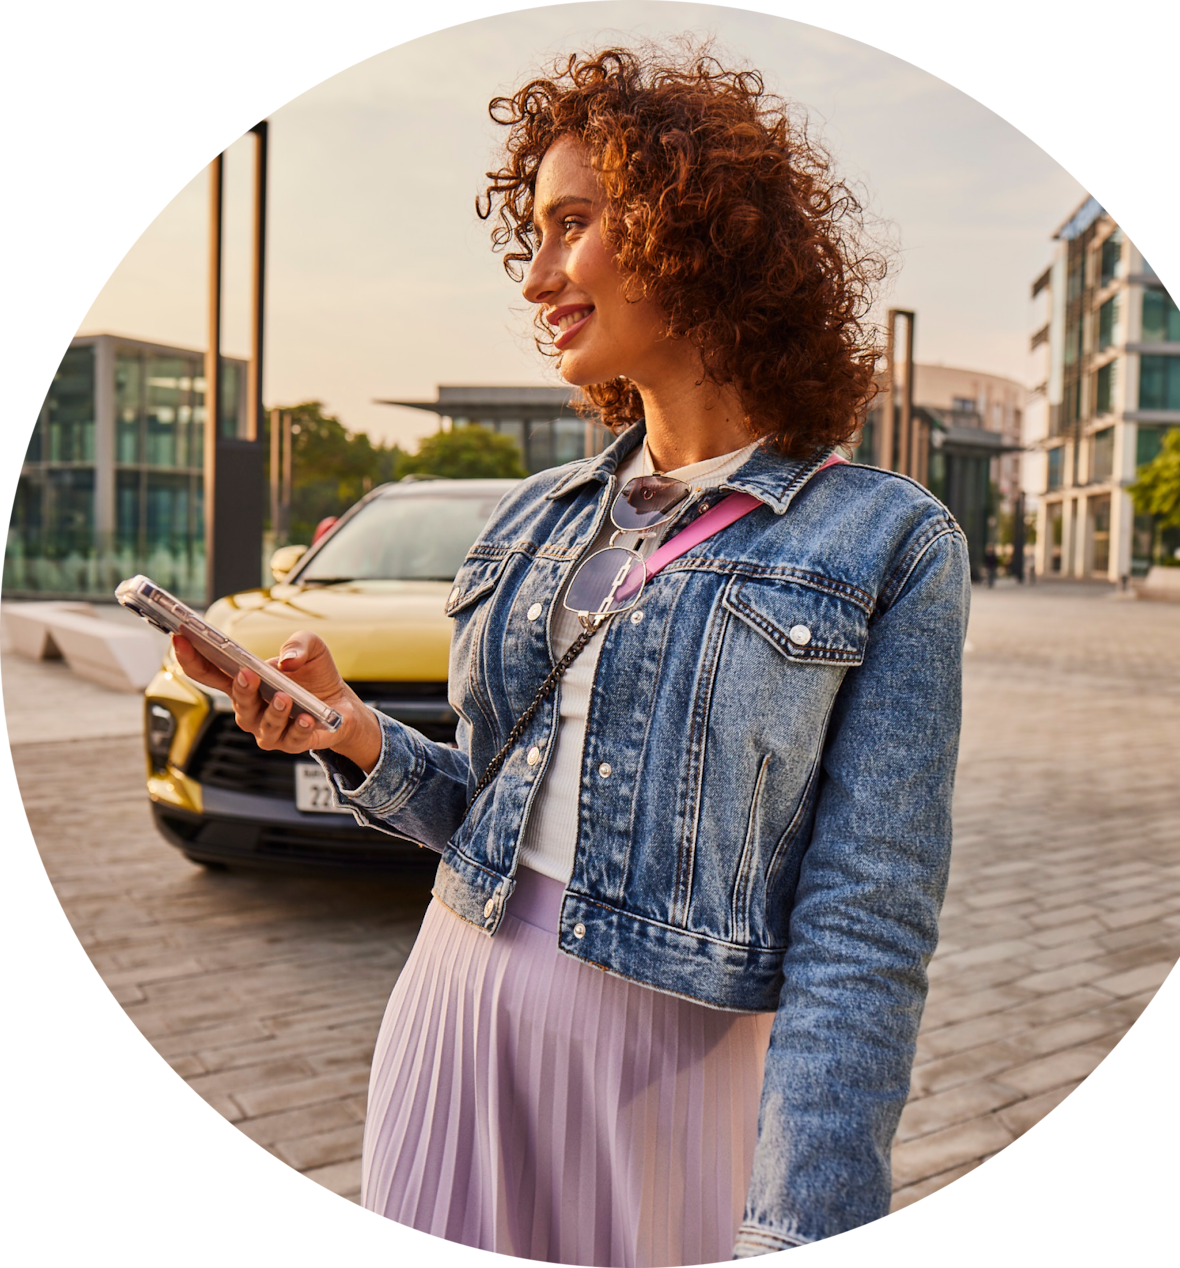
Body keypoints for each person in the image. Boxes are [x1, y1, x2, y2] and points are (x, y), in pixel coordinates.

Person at [174, 43, 969, 1264]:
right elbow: (486, 808)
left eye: (575, 223)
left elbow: (865, 922)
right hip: (456, 1009)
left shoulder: (885, 538)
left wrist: (801, 1211)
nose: (539, 272)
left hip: (669, 1067)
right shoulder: (533, 512)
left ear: (696, 230)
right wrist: (350, 730)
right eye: (533, 235)